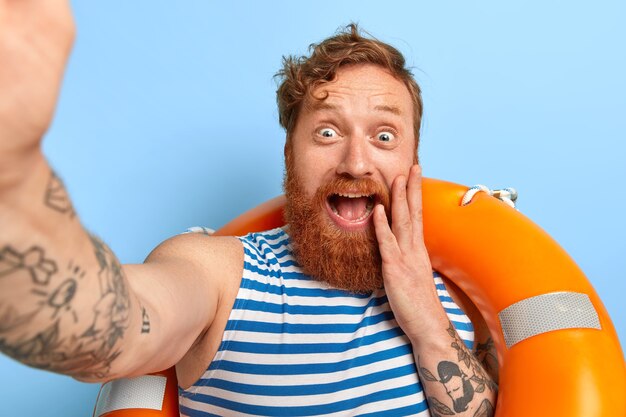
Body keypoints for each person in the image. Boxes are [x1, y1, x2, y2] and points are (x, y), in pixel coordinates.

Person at [0, 1, 497, 416]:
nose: (356, 161)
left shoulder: (459, 289)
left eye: (384, 136)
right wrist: (14, 179)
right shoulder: (222, 273)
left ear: (413, 162)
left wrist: (426, 318)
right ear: (289, 155)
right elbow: (114, 326)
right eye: (327, 132)